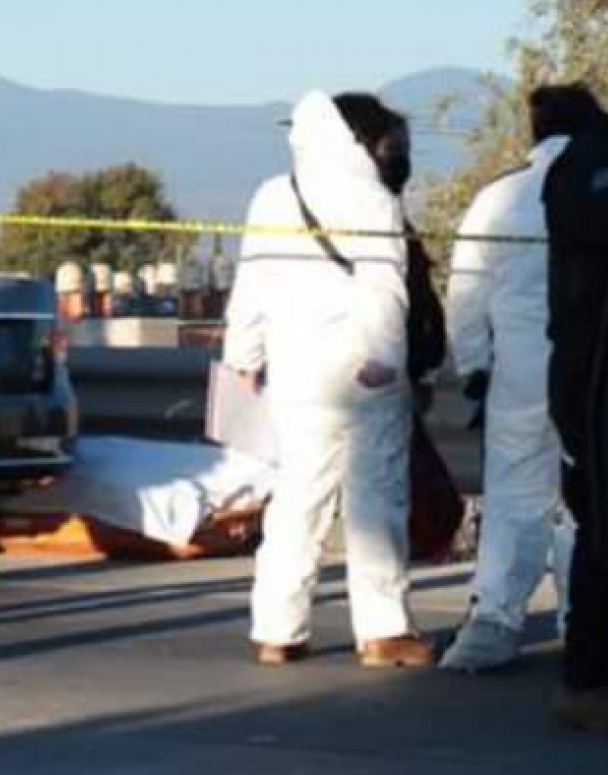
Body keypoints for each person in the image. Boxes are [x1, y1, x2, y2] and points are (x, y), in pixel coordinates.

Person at [224, 90, 433, 668]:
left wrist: (243, 356)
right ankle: (384, 631)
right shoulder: (372, 196)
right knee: (375, 501)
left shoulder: (271, 195)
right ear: (361, 139)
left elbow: (251, 286)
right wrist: (388, 359)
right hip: (360, 373)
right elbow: (385, 287)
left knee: (295, 502)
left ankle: (277, 629)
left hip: (293, 375)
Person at [441, 86, 589, 674]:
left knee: (511, 497)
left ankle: (493, 622)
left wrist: (474, 367)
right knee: (589, 501)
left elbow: (466, 294)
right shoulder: (606, 187)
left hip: (519, 372)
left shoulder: (498, 197)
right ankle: (584, 624)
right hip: (594, 370)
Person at [542, 86, 608, 731]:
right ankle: (590, 679)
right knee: (603, 525)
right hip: (598, 382)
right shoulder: (590, 164)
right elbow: (592, 222)